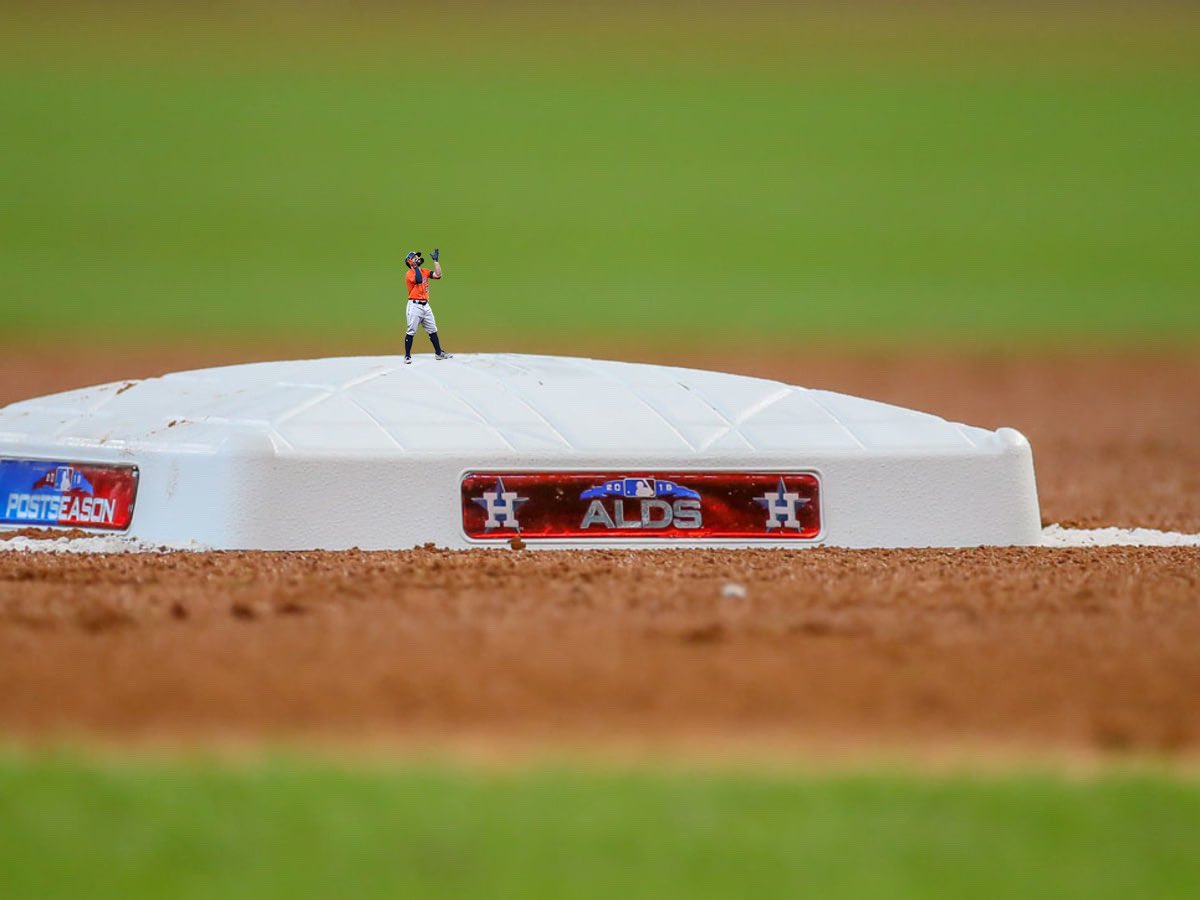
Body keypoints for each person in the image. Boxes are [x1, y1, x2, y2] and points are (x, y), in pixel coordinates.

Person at [403, 248, 452, 364]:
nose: (418, 258)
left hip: (426, 305)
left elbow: (438, 275)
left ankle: (439, 353)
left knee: (433, 329)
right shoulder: (410, 273)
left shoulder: (424, 271)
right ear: (410, 262)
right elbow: (419, 280)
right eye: (415, 257)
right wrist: (414, 267)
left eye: (417, 257)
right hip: (414, 305)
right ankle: (407, 356)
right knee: (411, 331)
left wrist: (436, 261)